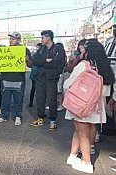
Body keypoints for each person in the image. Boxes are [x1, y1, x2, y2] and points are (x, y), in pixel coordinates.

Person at [64, 39, 115, 174]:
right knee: (85, 132)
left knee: (82, 134)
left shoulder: (84, 65)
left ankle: (87, 163)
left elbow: (67, 84)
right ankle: (73, 156)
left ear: (88, 52)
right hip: (97, 107)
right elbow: (108, 91)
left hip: (81, 105)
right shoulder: (105, 67)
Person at [30, 30, 66, 131]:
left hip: (52, 78)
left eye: (42, 37)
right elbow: (35, 61)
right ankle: (40, 118)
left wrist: (43, 63)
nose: (41, 40)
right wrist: (45, 61)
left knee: (52, 99)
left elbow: (56, 64)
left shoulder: (58, 49)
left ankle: (53, 120)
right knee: (40, 98)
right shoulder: (41, 49)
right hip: (40, 77)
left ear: (48, 38)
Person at [0, 32, 31, 126]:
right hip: (6, 78)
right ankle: (4, 116)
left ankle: (18, 116)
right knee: (5, 99)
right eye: (10, 39)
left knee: (18, 99)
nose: (11, 40)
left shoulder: (24, 50)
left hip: (19, 78)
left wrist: (27, 59)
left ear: (18, 40)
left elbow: (30, 64)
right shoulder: (5, 50)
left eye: (13, 39)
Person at [28, 43, 42, 107]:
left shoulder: (40, 55)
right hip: (34, 74)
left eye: (38, 47)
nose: (37, 48)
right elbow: (30, 64)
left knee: (38, 89)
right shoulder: (34, 55)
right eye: (37, 47)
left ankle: (37, 102)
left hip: (39, 74)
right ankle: (31, 102)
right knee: (34, 88)